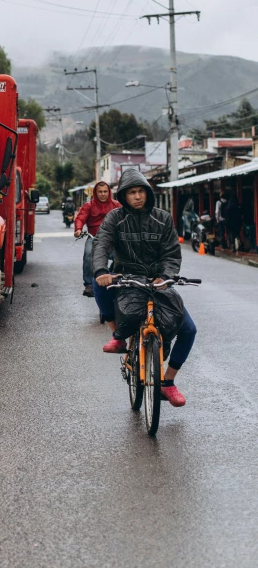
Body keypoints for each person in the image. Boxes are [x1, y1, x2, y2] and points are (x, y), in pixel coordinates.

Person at [91, 168, 197, 407]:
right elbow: (101, 245)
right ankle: (118, 335)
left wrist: (166, 276)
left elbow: (171, 253)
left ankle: (168, 382)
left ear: (148, 193)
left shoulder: (163, 218)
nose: (137, 197)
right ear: (124, 196)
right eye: (132, 193)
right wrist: (101, 271)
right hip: (127, 279)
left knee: (189, 329)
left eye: (141, 191)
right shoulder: (114, 219)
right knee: (98, 282)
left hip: (158, 282)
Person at [74, 182, 120, 297]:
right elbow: (80, 218)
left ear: (109, 192)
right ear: (95, 193)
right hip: (94, 237)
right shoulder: (88, 205)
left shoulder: (117, 205)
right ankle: (89, 284)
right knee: (88, 254)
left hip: (113, 239)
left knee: (122, 256)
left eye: (105, 191)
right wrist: (78, 229)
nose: (103, 194)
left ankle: (115, 277)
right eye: (100, 192)